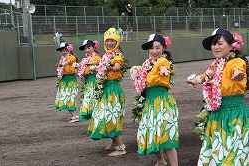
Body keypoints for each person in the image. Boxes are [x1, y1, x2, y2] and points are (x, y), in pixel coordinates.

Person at [186, 28, 249, 166]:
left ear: (231, 45)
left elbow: (237, 70)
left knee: (232, 156)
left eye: (220, 43)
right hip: (217, 114)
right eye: (214, 44)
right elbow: (207, 75)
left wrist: (238, 75)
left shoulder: (236, 61)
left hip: (234, 114)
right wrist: (196, 80)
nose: (215, 47)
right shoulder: (217, 64)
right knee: (217, 154)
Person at [130, 34, 179, 166]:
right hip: (150, 102)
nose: (154, 51)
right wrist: (134, 70)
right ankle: (161, 161)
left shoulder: (163, 61)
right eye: (151, 48)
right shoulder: (147, 64)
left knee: (165, 136)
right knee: (152, 134)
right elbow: (139, 69)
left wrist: (164, 70)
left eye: (158, 48)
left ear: (163, 48)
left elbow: (164, 67)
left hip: (161, 101)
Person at [87, 28, 127, 157]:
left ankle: (121, 147)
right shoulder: (106, 55)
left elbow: (116, 67)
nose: (109, 43)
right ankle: (115, 143)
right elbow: (103, 70)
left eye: (112, 41)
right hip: (105, 88)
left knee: (110, 117)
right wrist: (97, 69)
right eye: (108, 41)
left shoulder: (117, 55)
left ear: (117, 42)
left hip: (113, 90)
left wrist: (103, 66)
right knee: (104, 116)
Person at [55, 42, 79, 123]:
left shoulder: (71, 57)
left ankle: (75, 116)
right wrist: (60, 65)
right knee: (65, 98)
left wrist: (62, 64)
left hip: (70, 80)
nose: (63, 52)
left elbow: (69, 62)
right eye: (61, 50)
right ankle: (73, 115)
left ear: (69, 50)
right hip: (64, 80)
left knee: (68, 97)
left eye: (65, 50)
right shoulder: (62, 58)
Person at [77, 40, 101, 121]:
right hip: (89, 82)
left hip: (95, 80)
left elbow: (98, 62)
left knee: (94, 100)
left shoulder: (96, 57)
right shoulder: (85, 59)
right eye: (85, 48)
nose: (87, 50)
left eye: (89, 47)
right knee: (89, 100)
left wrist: (91, 64)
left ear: (94, 48)